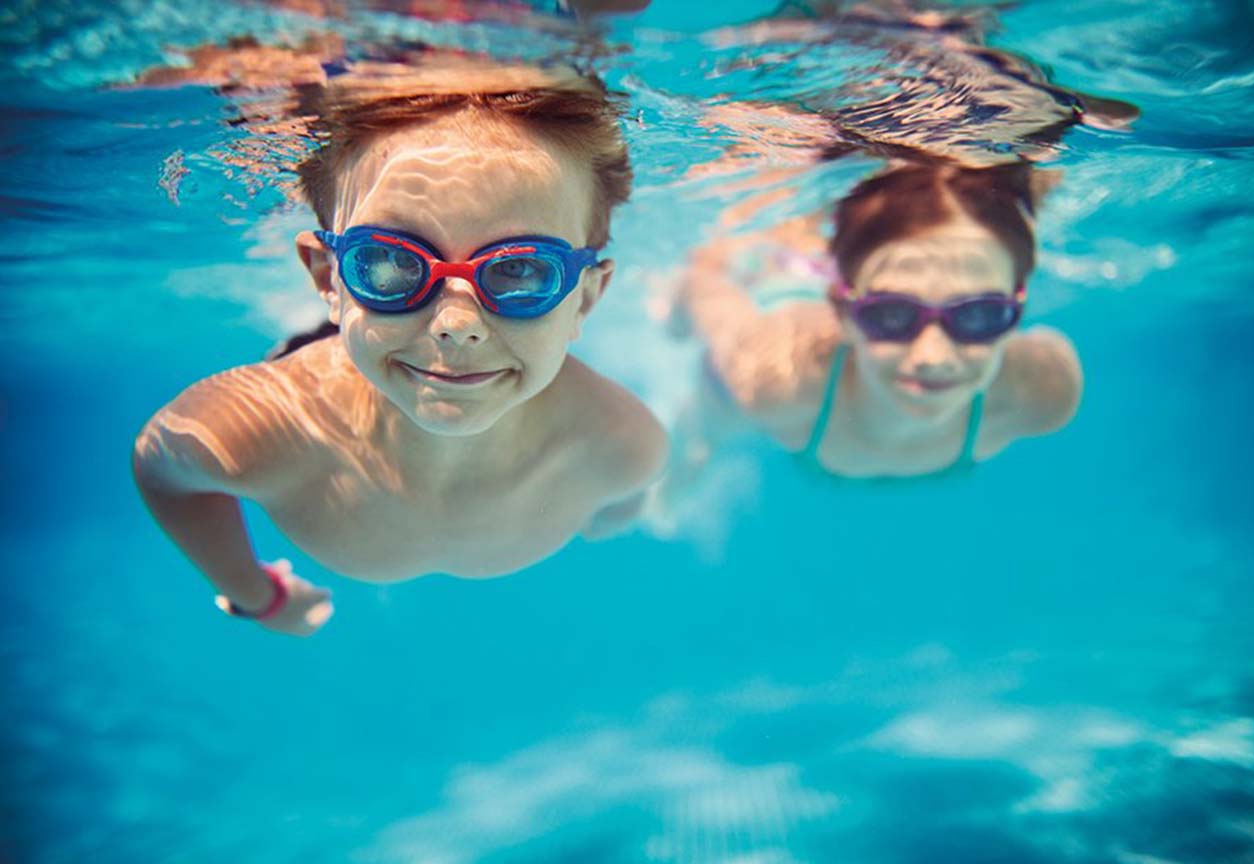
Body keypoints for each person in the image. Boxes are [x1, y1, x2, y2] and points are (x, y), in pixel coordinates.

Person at [133, 58, 666, 636]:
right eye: (388, 260)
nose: (456, 324)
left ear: (585, 299)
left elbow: (624, 502)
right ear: (326, 279)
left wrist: (614, 509)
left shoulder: (622, 448)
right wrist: (254, 595)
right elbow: (162, 471)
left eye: (520, 271)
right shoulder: (257, 431)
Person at [676, 160, 1080, 480]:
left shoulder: (1043, 392)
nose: (933, 356)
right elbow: (704, 283)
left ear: (1017, 309)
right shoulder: (772, 375)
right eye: (891, 314)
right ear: (843, 313)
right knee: (712, 421)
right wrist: (676, 321)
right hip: (778, 305)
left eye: (979, 314)